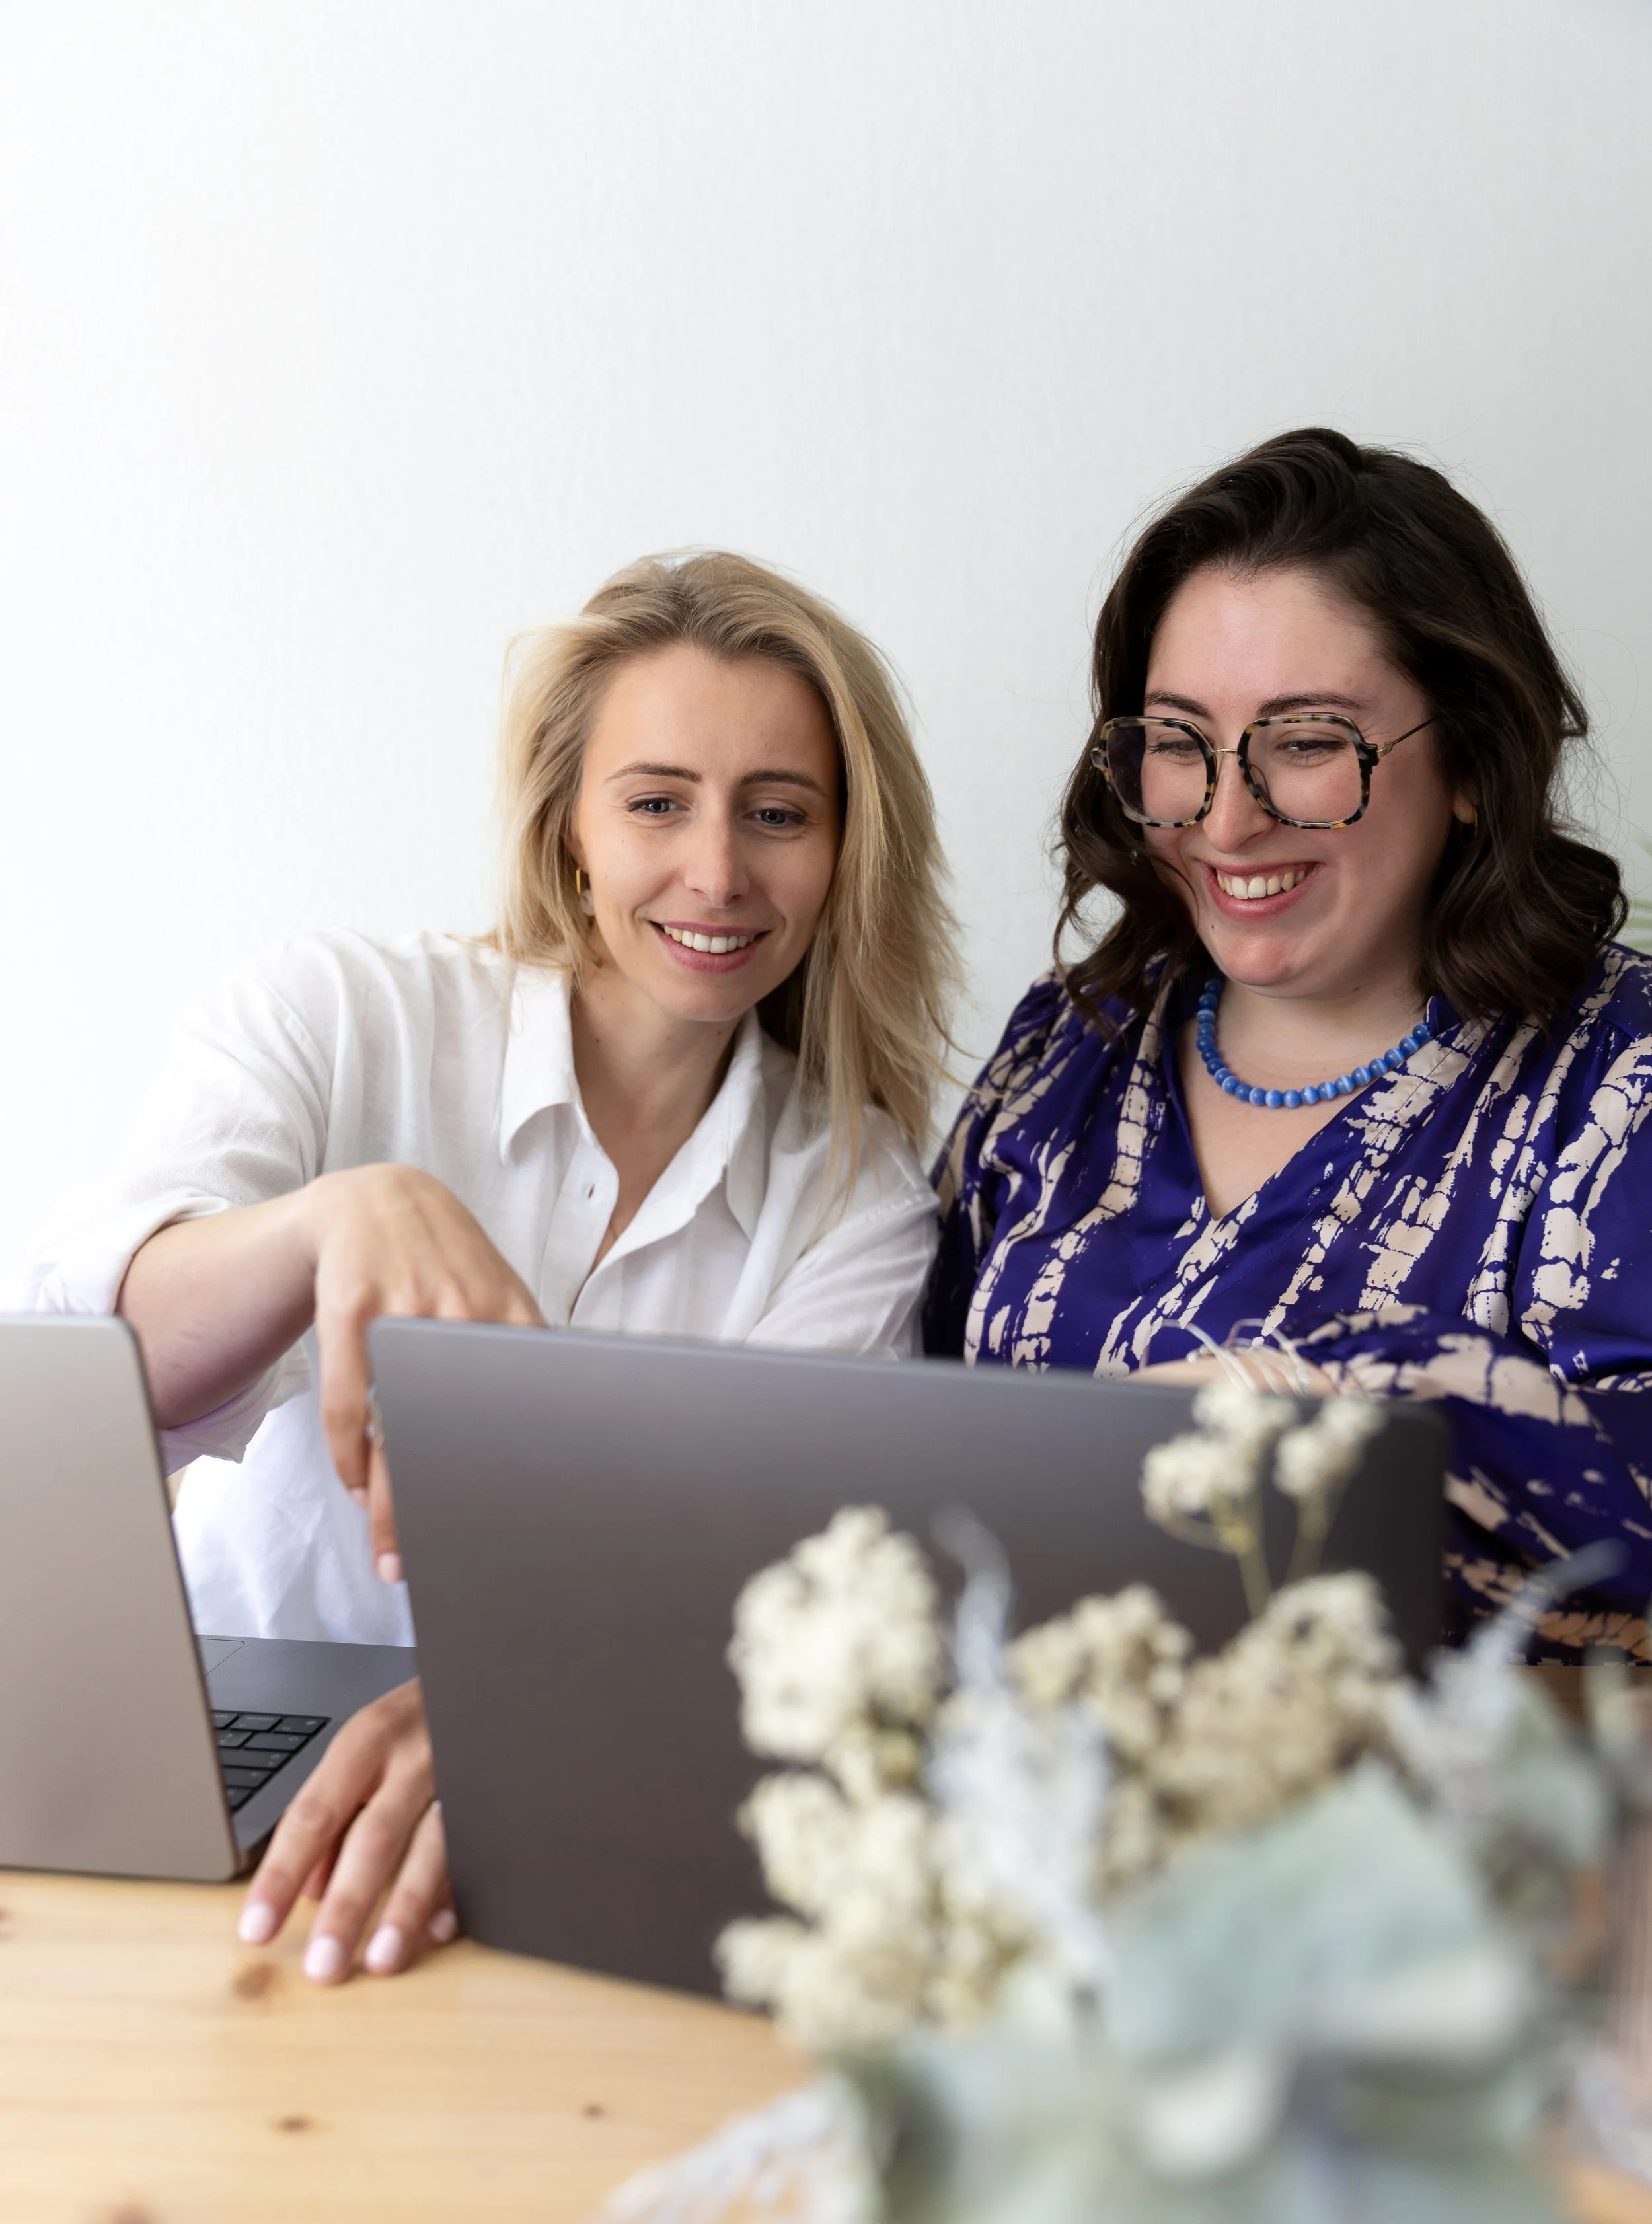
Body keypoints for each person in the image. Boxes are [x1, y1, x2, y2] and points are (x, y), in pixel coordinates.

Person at [28, 550, 956, 1973]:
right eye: (656, 803)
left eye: (778, 813)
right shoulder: (341, 1014)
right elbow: (99, 1375)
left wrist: (504, 1724)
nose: (717, 871)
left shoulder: (857, 1192)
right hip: (210, 1771)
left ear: (844, 853)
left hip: (580, 1791)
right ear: (569, 824)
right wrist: (334, 1221)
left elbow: (766, 1594)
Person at [925, 428, 1652, 1656]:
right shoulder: (1068, 1042)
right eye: (1179, 742)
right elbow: (897, 1429)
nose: (1227, 819)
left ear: (1472, 761)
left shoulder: (1618, 1078)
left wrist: (1304, 1402)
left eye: (1308, 742)